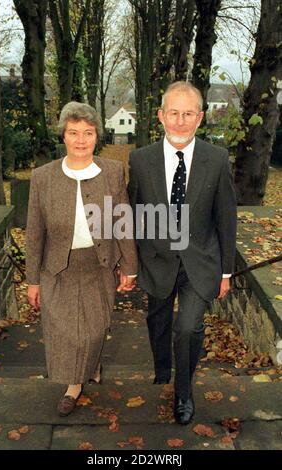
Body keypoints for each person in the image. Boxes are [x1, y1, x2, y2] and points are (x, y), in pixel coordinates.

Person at [128, 81, 236, 425]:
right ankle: (163, 371)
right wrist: (129, 264)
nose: (180, 120)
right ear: (161, 115)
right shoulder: (140, 160)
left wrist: (226, 271)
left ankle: (184, 392)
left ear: (200, 118)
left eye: (188, 113)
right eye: (173, 112)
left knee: (188, 327)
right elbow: (131, 214)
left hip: (199, 262)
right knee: (158, 321)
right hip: (156, 261)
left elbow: (226, 217)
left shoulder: (216, 160)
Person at [26, 102, 137, 417]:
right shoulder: (42, 177)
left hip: (99, 265)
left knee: (94, 329)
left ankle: (91, 362)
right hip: (57, 269)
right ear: (63, 135)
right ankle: (74, 385)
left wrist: (130, 267)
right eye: (73, 132)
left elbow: (121, 221)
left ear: (96, 136)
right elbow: (34, 232)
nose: (80, 140)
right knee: (66, 332)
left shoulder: (112, 172)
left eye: (88, 133)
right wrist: (32, 279)